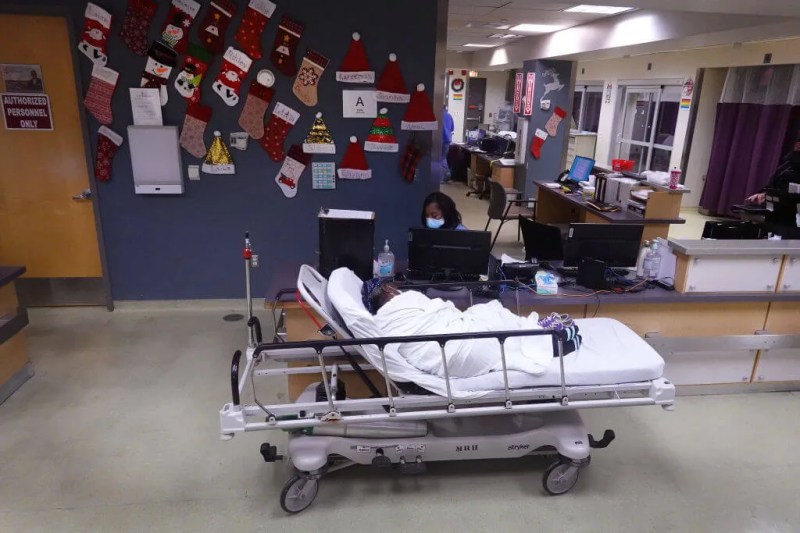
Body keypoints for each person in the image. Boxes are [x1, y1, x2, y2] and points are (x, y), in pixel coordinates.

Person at [364, 281, 580, 379]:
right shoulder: (406, 300)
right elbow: (440, 310)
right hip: (462, 349)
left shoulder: (381, 323)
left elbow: (435, 314)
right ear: (389, 289)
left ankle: (536, 333)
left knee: (483, 314)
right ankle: (551, 341)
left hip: (447, 359)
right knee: (490, 313)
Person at [745, 139, 800, 205]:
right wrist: (763, 194)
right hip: (777, 208)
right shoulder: (786, 166)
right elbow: (772, 185)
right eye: (797, 147)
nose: (797, 149)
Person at [442, 106, 455, 182]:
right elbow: (452, 128)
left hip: (440, 139)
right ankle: (446, 174)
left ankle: (445, 175)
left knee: (439, 158)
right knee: (443, 157)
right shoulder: (449, 115)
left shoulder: (437, 115)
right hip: (447, 139)